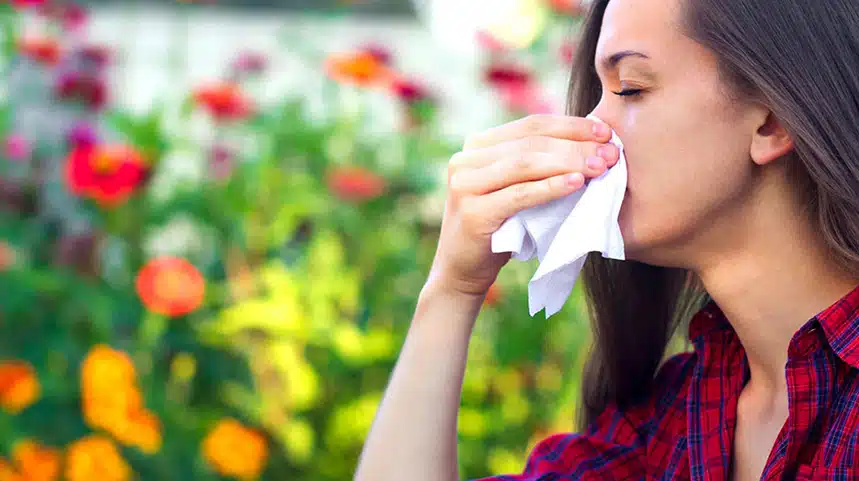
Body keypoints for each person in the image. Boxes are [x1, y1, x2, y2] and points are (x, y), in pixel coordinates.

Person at [354, 0, 859, 479]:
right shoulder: (675, 422)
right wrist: (451, 290)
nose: (593, 128)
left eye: (631, 89)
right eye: (598, 92)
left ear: (771, 120)